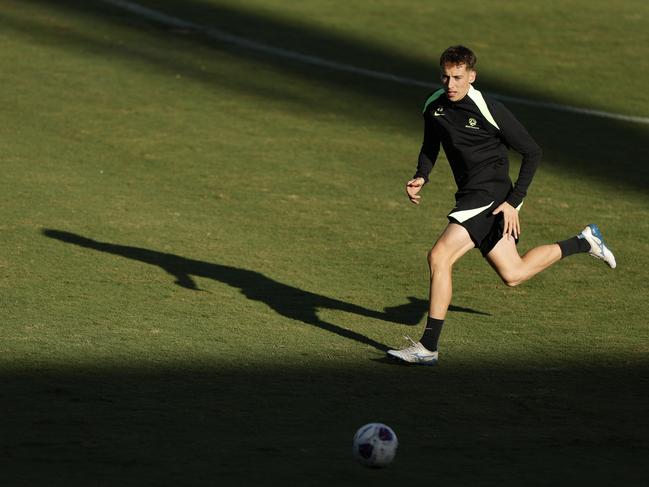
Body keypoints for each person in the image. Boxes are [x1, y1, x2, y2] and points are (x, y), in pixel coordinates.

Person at [387, 45, 616, 365]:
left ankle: (428, 347)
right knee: (514, 273)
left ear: (472, 76)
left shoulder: (488, 107)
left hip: (491, 195)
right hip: (473, 195)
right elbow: (431, 144)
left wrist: (513, 202)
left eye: (458, 77)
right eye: (445, 77)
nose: (450, 84)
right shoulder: (433, 105)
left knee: (439, 255)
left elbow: (532, 152)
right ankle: (584, 241)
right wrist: (421, 176)